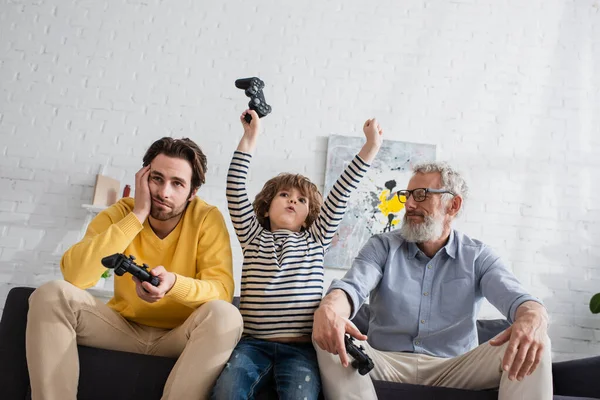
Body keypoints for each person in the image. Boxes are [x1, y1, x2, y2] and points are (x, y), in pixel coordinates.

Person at [312, 161, 552, 400]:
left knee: (535, 341)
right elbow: (352, 287)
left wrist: (533, 316)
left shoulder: (477, 255)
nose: (409, 204)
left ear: (453, 205)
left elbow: (519, 299)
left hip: (456, 368)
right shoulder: (383, 246)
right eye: (408, 195)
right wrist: (331, 306)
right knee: (328, 332)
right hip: (385, 363)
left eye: (421, 195)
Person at [26, 137, 243, 400]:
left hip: (180, 336)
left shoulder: (207, 218)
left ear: (192, 192)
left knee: (226, 315)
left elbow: (221, 291)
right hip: (121, 329)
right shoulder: (122, 213)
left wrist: (174, 284)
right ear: (143, 178)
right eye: (156, 178)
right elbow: (75, 275)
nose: (164, 192)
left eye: (177, 184)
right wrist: (138, 214)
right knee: (50, 294)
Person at [211, 109, 383, 399]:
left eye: (301, 199)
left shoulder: (316, 239)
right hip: (252, 344)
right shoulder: (253, 237)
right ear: (266, 208)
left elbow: (341, 192)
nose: (292, 199)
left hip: (300, 349)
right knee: (226, 392)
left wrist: (370, 148)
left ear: (307, 217)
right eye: (284, 195)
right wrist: (250, 138)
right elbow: (235, 188)